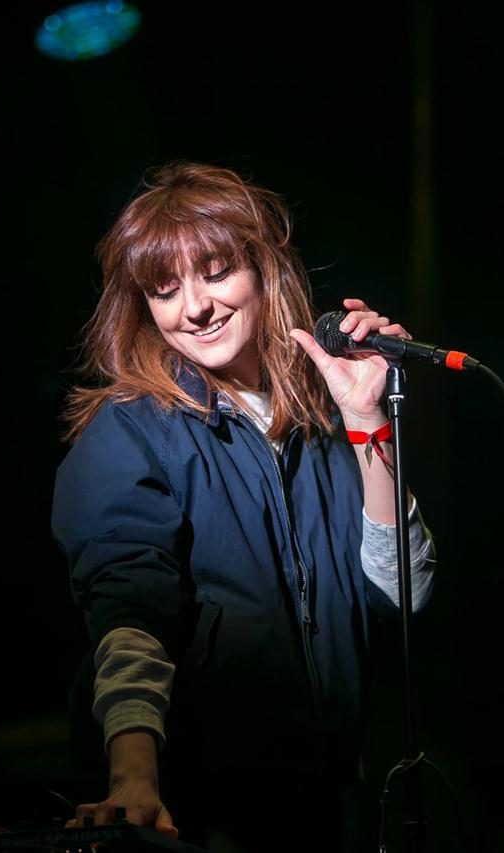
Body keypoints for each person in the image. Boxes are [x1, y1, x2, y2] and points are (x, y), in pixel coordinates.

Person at [51, 161, 436, 853]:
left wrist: (366, 418)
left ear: (264, 270)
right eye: (165, 290)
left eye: (216, 273)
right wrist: (135, 780)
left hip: (328, 802)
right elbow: (129, 613)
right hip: (202, 813)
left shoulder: (322, 416)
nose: (194, 308)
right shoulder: (130, 429)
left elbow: (401, 592)